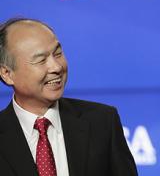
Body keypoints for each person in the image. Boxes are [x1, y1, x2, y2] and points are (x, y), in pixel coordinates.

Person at [0, 18, 138, 176]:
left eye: (57, 53)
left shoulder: (103, 121)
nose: (56, 67)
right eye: (41, 60)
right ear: (7, 74)